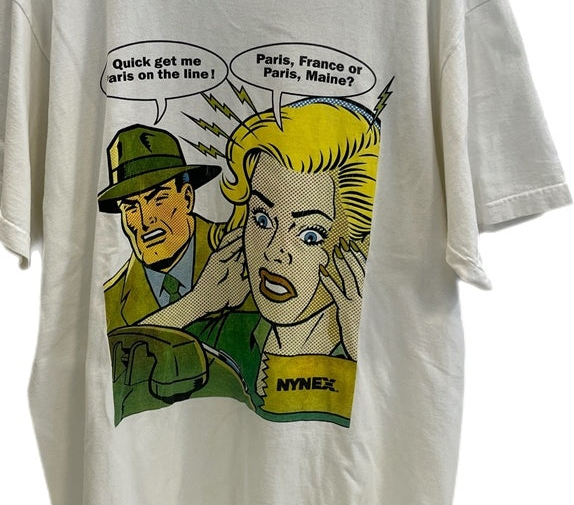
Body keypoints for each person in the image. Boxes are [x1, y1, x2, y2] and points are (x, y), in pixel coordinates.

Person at [138, 97, 385, 426]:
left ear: (354, 248)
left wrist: (358, 342)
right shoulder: (222, 335)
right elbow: (118, 373)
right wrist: (196, 304)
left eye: (310, 235)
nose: (274, 251)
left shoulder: (366, 352)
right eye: (262, 219)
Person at [97, 123, 223, 329]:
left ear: (187, 197)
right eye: (131, 207)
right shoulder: (111, 300)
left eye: (158, 199)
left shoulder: (238, 250)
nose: (145, 221)